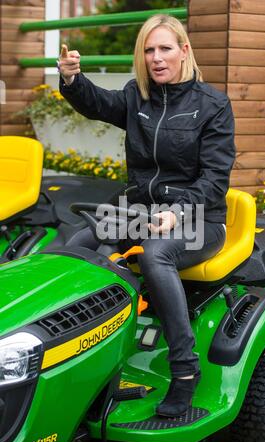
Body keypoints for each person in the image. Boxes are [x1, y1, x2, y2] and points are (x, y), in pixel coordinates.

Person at [58, 14, 235, 418]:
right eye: (149, 50)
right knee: (75, 246)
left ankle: (185, 371)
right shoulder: (136, 97)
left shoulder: (213, 105)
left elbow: (214, 180)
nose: (156, 58)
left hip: (200, 217)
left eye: (165, 48)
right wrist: (72, 80)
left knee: (155, 254)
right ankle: (83, 356)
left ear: (184, 50)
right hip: (140, 210)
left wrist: (176, 212)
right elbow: (98, 103)